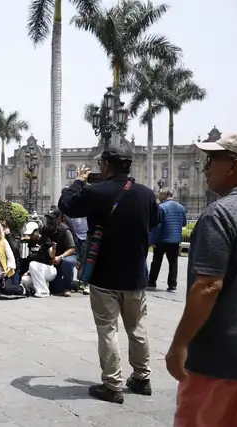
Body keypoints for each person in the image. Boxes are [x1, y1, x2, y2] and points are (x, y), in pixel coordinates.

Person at [58, 145, 159, 404]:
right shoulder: (146, 194)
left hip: (104, 274)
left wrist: (78, 182)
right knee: (137, 327)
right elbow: (155, 220)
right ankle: (142, 377)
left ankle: (112, 384)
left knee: (108, 328)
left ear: (105, 165)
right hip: (136, 273)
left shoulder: (96, 191)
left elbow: (66, 206)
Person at [167, 134, 237, 427]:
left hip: (219, 360)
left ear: (234, 166)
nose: (205, 166)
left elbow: (208, 286)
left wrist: (179, 345)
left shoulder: (221, 214)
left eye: (213, 160)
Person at [148, 188, 187, 292]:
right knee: (173, 263)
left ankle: (152, 282)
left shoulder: (161, 207)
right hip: (175, 240)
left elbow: (157, 226)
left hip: (162, 239)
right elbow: (184, 223)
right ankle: (172, 284)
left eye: (159, 194)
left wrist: (152, 240)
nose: (158, 196)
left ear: (164, 195)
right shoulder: (181, 207)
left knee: (156, 261)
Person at [42, 208, 77, 297]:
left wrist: (60, 257)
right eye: (48, 219)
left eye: (52, 219)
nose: (49, 221)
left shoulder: (65, 230)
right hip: (52, 259)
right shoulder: (45, 230)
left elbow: (72, 249)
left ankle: (67, 287)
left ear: (57, 219)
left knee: (67, 262)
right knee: (55, 290)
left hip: (65, 256)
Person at [20, 222, 56, 297]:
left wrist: (54, 248)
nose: (30, 236)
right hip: (36, 270)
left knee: (32, 264)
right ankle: (34, 289)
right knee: (24, 280)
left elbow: (51, 255)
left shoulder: (45, 240)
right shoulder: (31, 242)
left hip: (48, 270)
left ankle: (43, 291)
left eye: (32, 233)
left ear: (37, 231)